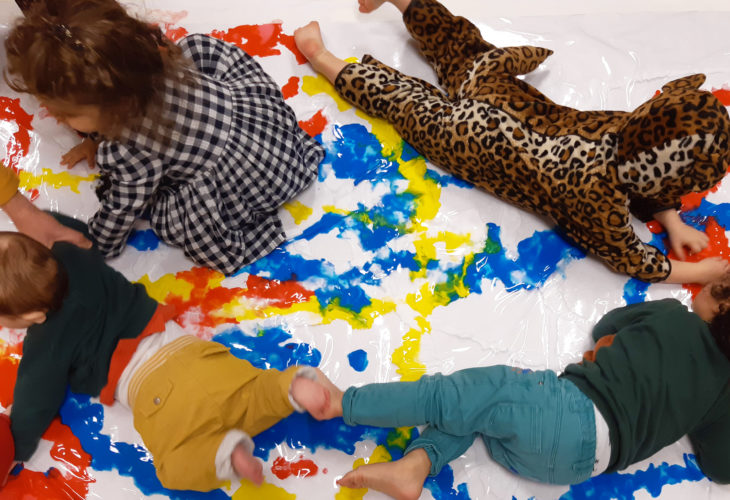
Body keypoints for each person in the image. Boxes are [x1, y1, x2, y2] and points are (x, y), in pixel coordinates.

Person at [293, 0, 730, 284]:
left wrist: (671, 223)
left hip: (503, 93)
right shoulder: (600, 200)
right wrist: (695, 272)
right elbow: (628, 257)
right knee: (403, 103)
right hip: (472, 141)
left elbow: (648, 168)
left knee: (461, 48)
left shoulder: (623, 125)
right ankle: (318, 54)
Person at [292, 280, 730, 500]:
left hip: (568, 414)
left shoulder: (675, 314)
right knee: (478, 413)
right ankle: (417, 464)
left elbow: (607, 326)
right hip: (577, 468)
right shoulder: (724, 388)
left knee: (450, 395)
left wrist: (614, 348)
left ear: (723, 304)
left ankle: (341, 403)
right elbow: (720, 467)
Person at [0, 215, 331, 491]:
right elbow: (71, 229)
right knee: (254, 393)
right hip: (194, 353)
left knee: (172, 467)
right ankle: (289, 388)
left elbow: (35, 397)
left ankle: (224, 455)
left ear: (32, 317)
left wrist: (16, 445)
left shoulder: (45, 340)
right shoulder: (71, 252)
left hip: (156, 394)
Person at [4, 0, 324, 275]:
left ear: (117, 105)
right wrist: (92, 136)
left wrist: (98, 242)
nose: (54, 117)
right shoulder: (164, 60)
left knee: (172, 215)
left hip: (245, 183)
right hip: (265, 140)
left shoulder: (129, 150)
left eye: (65, 114)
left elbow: (124, 207)